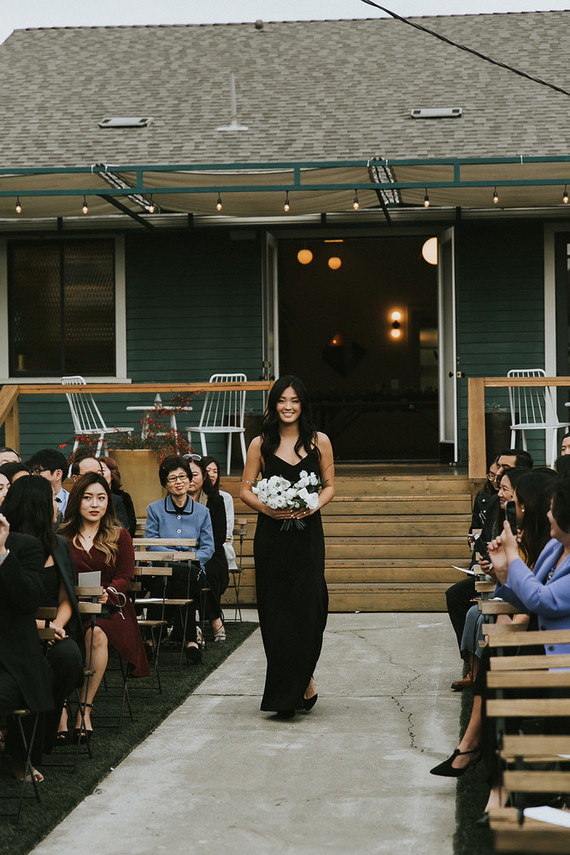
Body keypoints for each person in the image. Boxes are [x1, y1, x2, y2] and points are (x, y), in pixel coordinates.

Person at [431, 468, 557, 803]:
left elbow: (542, 601)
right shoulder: (554, 550)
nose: (546, 514)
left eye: (520, 503)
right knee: (498, 656)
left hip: (557, 651)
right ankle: (494, 780)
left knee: (501, 660)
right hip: (546, 643)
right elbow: (521, 596)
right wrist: (503, 569)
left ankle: (480, 760)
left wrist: (511, 562)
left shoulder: (559, 551)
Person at [240, 375, 335, 717]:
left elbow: (329, 486)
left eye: (294, 400)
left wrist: (312, 506)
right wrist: (269, 507)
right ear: (274, 404)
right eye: (282, 400)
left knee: (310, 610)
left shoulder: (319, 440)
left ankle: (305, 674)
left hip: (308, 537)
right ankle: (286, 694)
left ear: (303, 404)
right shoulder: (260, 444)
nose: (288, 407)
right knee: (276, 613)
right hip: (272, 538)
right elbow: (246, 489)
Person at [60, 472, 149, 738]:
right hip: (69, 607)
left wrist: (109, 592)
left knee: (96, 634)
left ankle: (84, 709)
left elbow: (126, 576)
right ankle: (61, 710)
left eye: (101, 498)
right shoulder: (62, 536)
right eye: (87, 498)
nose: (95, 504)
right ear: (77, 501)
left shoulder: (119, 536)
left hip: (109, 608)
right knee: (61, 640)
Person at [1, 476, 85, 748]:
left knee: (69, 657)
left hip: (53, 631)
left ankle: (45, 733)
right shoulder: (6, 544)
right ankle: (22, 742)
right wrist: (39, 626)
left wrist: (56, 627)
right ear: (37, 505)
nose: (56, 504)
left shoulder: (58, 544)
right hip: (16, 631)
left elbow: (66, 596)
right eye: (51, 498)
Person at [445, 448, 533, 660]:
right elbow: (485, 539)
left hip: (511, 584)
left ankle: (478, 671)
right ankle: (470, 665)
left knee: (478, 613)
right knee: (457, 595)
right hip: (498, 574)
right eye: (498, 466)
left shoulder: (528, 522)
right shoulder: (496, 502)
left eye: (506, 469)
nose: (499, 472)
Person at [0, 511, 54, 784]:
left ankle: (17, 757)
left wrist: (1, 553)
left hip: (9, 661)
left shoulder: (24, 546)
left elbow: (28, 601)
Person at [144, 455, 215, 662]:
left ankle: (152, 640)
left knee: (182, 577)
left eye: (182, 476)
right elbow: (151, 544)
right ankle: (190, 641)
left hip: (191, 567)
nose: (179, 482)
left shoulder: (202, 512)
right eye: (172, 478)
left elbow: (208, 547)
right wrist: (174, 559)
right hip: (164, 566)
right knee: (166, 577)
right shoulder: (154, 509)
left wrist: (188, 559)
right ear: (165, 484)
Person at [187, 456, 228, 641]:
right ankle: (198, 624)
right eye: (185, 474)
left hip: (211, 554)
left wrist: (198, 552)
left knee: (202, 572)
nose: (190, 478)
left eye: (194, 474)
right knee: (187, 572)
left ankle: (211, 620)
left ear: (203, 477)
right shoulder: (172, 501)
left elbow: (218, 537)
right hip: (182, 554)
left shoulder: (215, 501)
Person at [71, 453, 130, 532]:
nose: (95, 504)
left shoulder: (114, 501)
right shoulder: (65, 501)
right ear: (76, 478)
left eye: (99, 474)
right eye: (89, 475)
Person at [99, 456, 137, 537]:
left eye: (102, 471)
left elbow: (129, 526)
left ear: (112, 474)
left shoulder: (123, 498)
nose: (99, 475)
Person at [27, 448, 70, 516]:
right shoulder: (28, 500)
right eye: (32, 472)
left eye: (37, 471)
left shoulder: (72, 502)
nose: (33, 475)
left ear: (58, 474)